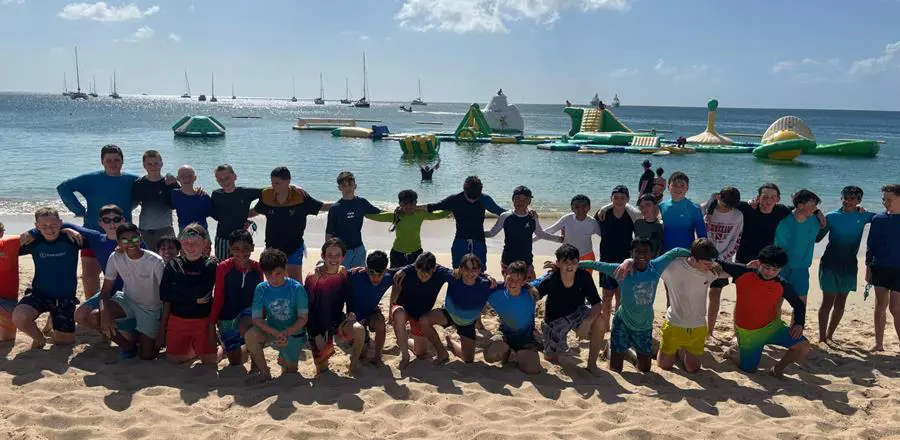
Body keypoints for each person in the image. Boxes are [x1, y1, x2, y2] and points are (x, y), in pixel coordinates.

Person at [580, 240, 691, 373]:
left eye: (646, 252)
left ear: (652, 254)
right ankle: (614, 348)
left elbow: (676, 251)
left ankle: (627, 352)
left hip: (644, 325)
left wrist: (697, 257)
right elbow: (596, 264)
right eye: (637, 251)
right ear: (631, 253)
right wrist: (572, 264)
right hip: (622, 323)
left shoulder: (656, 267)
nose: (642, 255)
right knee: (616, 368)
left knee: (645, 369)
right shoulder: (621, 270)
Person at [57, 144, 138, 298]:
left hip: (121, 235)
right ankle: (92, 308)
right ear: (102, 161)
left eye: (117, 160)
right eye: (108, 160)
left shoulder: (133, 180)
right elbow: (63, 187)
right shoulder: (91, 179)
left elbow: (152, 185)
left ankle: (121, 305)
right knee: (89, 275)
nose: (113, 163)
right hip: (92, 232)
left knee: (124, 275)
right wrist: (79, 210)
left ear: (122, 161)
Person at [717, 246, 809, 378]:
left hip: (772, 327)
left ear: (780, 270)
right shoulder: (743, 272)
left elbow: (798, 304)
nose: (769, 272)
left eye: (774, 270)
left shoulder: (782, 284)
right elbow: (720, 262)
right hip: (749, 333)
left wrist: (799, 323)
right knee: (749, 369)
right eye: (766, 267)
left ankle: (777, 369)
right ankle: (734, 353)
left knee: (803, 346)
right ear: (759, 263)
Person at [12, 207, 85, 348]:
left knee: (64, 343)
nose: (49, 230)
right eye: (43, 226)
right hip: (40, 294)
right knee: (19, 317)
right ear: (36, 226)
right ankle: (39, 338)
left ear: (60, 223)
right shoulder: (34, 242)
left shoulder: (72, 239)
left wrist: (69, 229)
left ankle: (53, 318)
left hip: (64, 298)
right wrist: (32, 233)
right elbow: (9, 248)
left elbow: (97, 237)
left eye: (53, 225)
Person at [97, 223, 166, 360]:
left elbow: (166, 296)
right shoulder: (115, 257)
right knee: (96, 316)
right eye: (124, 240)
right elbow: (105, 291)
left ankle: (138, 336)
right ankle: (128, 346)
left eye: (134, 239)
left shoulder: (155, 261)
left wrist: (163, 329)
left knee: (146, 356)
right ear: (118, 242)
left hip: (150, 308)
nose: (130, 243)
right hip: (128, 301)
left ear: (140, 238)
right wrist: (105, 313)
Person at [816, 186, 874, 343]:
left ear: (859, 201)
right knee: (827, 301)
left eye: (853, 199)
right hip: (829, 262)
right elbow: (817, 238)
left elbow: (887, 218)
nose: (848, 201)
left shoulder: (865, 216)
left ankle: (830, 335)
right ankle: (822, 338)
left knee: (841, 300)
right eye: (845, 198)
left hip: (849, 264)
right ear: (841, 198)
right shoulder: (831, 216)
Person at [418, 253, 501, 365]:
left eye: (474, 269)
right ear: (460, 269)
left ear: (479, 270)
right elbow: (430, 263)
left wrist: (529, 286)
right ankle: (442, 353)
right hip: (449, 314)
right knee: (424, 320)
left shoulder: (486, 284)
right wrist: (405, 270)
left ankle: (451, 342)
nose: (470, 273)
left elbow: (509, 284)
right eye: (466, 268)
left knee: (468, 360)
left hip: (467, 323)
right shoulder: (452, 276)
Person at [251, 166, 329, 282]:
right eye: (272, 182)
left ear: (288, 181)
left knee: (295, 282)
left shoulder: (300, 197)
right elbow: (254, 212)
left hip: (294, 247)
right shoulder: (267, 197)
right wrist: (236, 216)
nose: (273, 186)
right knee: (274, 281)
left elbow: (322, 206)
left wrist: (344, 204)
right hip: (272, 248)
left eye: (277, 183)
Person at [244, 248, 309, 382]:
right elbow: (256, 318)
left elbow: (303, 318)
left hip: (293, 332)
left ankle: (285, 359)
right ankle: (264, 371)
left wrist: (287, 332)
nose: (273, 278)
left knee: (289, 372)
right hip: (271, 330)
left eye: (277, 273)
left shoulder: (297, 288)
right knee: (250, 334)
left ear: (285, 269)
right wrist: (275, 332)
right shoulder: (261, 288)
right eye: (269, 274)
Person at [538, 244, 604, 373]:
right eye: (565, 262)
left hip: (577, 313)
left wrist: (588, 322)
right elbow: (533, 296)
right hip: (556, 319)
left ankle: (591, 365)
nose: (570, 266)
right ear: (558, 263)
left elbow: (597, 304)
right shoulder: (552, 279)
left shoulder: (584, 276)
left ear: (578, 263)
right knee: (551, 358)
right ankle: (542, 339)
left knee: (600, 320)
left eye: (573, 262)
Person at [158, 224, 218, 366]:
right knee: (173, 360)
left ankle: (221, 348)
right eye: (186, 243)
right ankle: (195, 349)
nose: (190, 247)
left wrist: (180, 294)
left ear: (204, 244)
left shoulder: (211, 265)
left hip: (202, 321)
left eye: (195, 243)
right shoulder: (173, 264)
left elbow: (204, 294)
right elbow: (166, 298)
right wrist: (162, 330)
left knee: (210, 362)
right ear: (181, 243)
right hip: (178, 319)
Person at [658, 239, 720, 373]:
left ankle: (681, 351)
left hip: (698, 327)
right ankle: (665, 349)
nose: (710, 267)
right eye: (706, 264)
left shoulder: (710, 271)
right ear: (694, 258)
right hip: (674, 324)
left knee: (693, 369)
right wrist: (628, 262)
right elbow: (649, 265)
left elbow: (728, 271)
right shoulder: (673, 267)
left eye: (712, 263)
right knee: (664, 367)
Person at [419, 175, 505, 268]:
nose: (472, 201)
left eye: (475, 199)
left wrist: (493, 231)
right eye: (469, 198)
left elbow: (503, 213)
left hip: (479, 239)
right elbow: (433, 207)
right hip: (460, 239)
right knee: (457, 269)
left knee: (479, 270)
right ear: (464, 189)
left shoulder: (485, 199)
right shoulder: (455, 199)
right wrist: (414, 207)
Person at [389, 252, 454, 369]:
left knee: (420, 353)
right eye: (420, 273)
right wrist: (390, 312)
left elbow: (460, 275)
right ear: (415, 267)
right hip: (402, 309)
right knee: (398, 315)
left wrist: (488, 278)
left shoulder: (440, 273)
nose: (423, 276)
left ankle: (403, 340)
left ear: (434, 269)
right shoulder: (406, 272)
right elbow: (386, 273)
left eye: (427, 274)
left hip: (419, 315)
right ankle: (405, 357)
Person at [209, 230, 264, 366]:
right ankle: (242, 348)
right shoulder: (224, 267)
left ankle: (255, 365)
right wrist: (212, 324)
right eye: (236, 249)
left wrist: (262, 317)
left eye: (246, 248)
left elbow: (261, 296)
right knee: (236, 362)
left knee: (245, 324)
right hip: (228, 315)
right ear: (230, 249)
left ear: (252, 247)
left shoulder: (257, 268)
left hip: (249, 313)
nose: (241, 253)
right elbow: (219, 296)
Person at [485, 186, 562, 278]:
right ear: (513, 200)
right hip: (508, 260)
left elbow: (540, 233)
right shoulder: (505, 216)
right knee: (511, 287)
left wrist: (559, 239)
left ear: (529, 202)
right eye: (517, 198)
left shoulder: (532, 217)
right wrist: (475, 232)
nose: (521, 202)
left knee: (530, 288)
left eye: (525, 199)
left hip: (527, 261)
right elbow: (491, 233)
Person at [366, 190, 451, 268]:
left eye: (411, 204)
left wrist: (452, 208)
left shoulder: (420, 214)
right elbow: (375, 216)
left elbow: (438, 215)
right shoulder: (395, 215)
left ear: (416, 203)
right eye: (405, 204)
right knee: (396, 280)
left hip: (416, 252)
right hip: (398, 253)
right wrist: (359, 210)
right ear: (400, 203)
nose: (408, 207)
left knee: (415, 281)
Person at [484, 261, 542, 374]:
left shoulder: (531, 293)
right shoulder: (495, 293)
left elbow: (549, 276)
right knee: (489, 356)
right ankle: (507, 351)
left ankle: (519, 353)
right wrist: (487, 276)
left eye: (518, 280)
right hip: (505, 334)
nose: (513, 283)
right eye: (510, 279)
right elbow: (476, 281)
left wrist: (556, 267)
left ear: (524, 281)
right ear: (505, 276)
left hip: (526, 338)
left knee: (533, 370)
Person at [304, 238, 352, 374]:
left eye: (337, 255)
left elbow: (348, 295)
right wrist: (315, 333)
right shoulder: (314, 277)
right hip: (317, 324)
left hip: (336, 320)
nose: (334, 259)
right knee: (322, 368)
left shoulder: (343, 272)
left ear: (343, 257)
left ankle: (355, 363)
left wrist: (351, 313)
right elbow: (307, 308)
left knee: (357, 330)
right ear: (323, 256)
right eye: (329, 255)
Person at [594, 186, 638, 328]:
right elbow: (589, 226)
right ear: (611, 199)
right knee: (607, 295)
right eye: (616, 197)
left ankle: (617, 325)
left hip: (624, 261)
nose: (619, 200)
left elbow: (639, 215)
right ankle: (606, 325)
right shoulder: (602, 214)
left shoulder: (631, 216)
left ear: (628, 200)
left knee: (620, 295)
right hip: (606, 261)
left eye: (622, 198)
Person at [342, 250, 394, 368]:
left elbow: (410, 268)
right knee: (361, 355)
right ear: (366, 269)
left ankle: (377, 356)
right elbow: (336, 272)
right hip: (353, 317)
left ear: (385, 271)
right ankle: (362, 340)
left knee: (381, 322)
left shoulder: (388, 277)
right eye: (371, 273)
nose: (375, 278)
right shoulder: (355, 275)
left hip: (371, 314)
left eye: (379, 274)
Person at [705, 186, 744, 338]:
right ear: (718, 198)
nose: (727, 208)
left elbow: (736, 240)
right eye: (724, 204)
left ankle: (710, 331)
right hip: (704, 258)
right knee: (698, 294)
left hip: (723, 260)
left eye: (730, 206)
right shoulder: (708, 210)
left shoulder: (738, 215)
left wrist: (720, 259)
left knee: (715, 293)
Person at [866, 184, 900, 352]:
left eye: (889, 200)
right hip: (880, 267)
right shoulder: (878, 219)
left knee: (895, 307)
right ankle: (879, 344)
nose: (886, 203)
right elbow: (871, 245)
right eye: (884, 200)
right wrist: (868, 267)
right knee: (880, 304)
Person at [774, 189, 823, 304]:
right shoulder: (782, 218)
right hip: (779, 267)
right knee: (775, 302)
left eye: (816, 205)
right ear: (800, 206)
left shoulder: (817, 221)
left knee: (800, 305)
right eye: (812, 205)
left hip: (801, 269)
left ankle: (795, 323)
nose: (815, 208)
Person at [326, 171, 383, 269]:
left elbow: (380, 213)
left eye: (350, 184)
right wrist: (328, 253)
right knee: (341, 279)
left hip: (358, 249)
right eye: (344, 185)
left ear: (355, 186)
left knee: (359, 278)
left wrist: (399, 212)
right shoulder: (335, 208)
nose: (347, 188)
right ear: (339, 188)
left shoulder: (362, 203)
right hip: (341, 251)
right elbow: (329, 232)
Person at [131, 150, 179, 250]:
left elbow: (179, 203)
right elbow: (133, 205)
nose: (153, 166)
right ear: (144, 165)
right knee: (148, 261)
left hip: (165, 229)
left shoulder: (170, 182)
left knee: (169, 260)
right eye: (149, 164)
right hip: (145, 230)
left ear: (161, 164)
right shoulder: (138, 184)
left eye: (156, 163)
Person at [210, 164, 260, 260]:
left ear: (235, 176)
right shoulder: (216, 194)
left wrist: (253, 211)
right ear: (217, 180)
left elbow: (266, 193)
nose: (224, 181)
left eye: (227, 177)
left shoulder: (245, 192)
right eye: (220, 179)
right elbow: (215, 215)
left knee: (241, 264)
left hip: (241, 238)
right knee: (222, 265)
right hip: (222, 237)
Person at [542, 195, 601, 265]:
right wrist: (531, 240)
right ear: (572, 208)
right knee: (566, 276)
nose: (581, 209)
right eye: (576, 207)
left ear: (589, 208)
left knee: (586, 276)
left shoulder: (593, 222)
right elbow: (550, 230)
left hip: (587, 257)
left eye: (584, 206)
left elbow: (606, 237)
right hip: (567, 256)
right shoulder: (567, 219)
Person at [659, 172, 707, 252]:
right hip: (665, 253)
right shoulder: (661, 206)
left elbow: (702, 236)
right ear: (668, 187)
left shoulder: (694, 208)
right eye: (674, 185)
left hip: (686, 254)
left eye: (682, 185)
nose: (678, 188)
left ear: (687, 188)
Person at [171, 165, 213, 231]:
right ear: (177, 178)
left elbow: (214, 215)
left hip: (202, 235)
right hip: (183, 234)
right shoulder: (174, 194)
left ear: (195, 178)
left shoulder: (203, 196)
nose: (186, 178)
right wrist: (168, 175)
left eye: (190, 176)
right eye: (183, 176)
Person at [0, 222, 20, 341]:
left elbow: (40, 231)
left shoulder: (11, 244)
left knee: (7, 339)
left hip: (8, 303)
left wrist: (67, 230)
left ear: (1, 233)